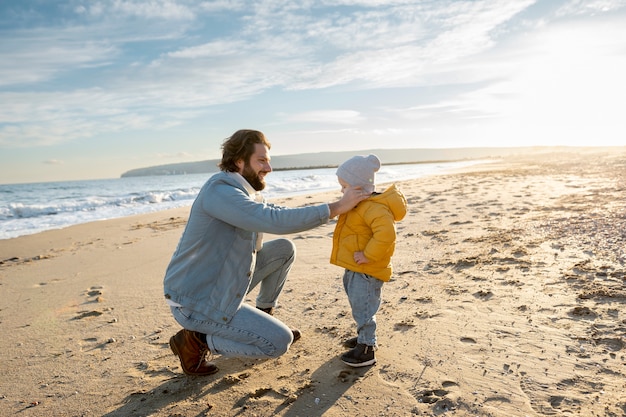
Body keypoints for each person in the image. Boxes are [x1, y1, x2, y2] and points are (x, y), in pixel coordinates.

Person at [163, 129, 368, 376]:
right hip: (196, 300)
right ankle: (196, 340)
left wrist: (340, 206)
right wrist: (336, 207)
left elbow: (276, 211)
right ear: (239, 161)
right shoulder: (220, 192)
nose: (269, 168)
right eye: (261, 160)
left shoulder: (242, 190)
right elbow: (274, 220)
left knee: (283, 249)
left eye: (268, 160)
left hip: (219, 284)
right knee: (277, 343)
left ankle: (263, 317)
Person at [330, 154, 407, 367]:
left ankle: (366, 349)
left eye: (344, 187)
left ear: (358, 188)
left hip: (367, 267)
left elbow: (386, 235)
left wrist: (368, 255)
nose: (341, 191)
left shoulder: (374, 207)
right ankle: (364, 338)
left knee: (364, 307)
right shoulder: (360, 205)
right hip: (356, 267)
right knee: (359, 305)